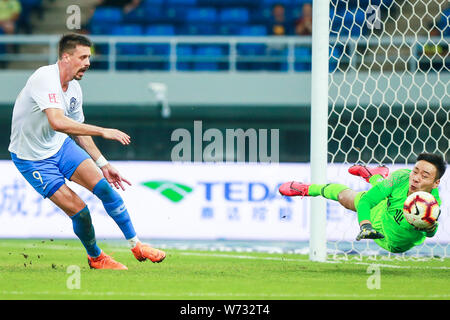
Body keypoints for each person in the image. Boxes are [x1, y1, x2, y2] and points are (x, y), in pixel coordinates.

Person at [8, 33, 166, 269]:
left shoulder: (74, 90)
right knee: (81, 212)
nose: (88, 63)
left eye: (88, 57)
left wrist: (103, 163)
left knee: (105, 187)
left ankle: (137, 246)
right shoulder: (44, 78)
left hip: (59, 146)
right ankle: (96, 257)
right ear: (65, 57)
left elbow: (78, 130)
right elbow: (57, 122)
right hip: (32, 159)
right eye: (82, 57)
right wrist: (103, 131)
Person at [279, 153, 446, 253]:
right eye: (415, 171)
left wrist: (430, 227)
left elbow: (431, 233)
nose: (416, 178)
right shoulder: (401, 177)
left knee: (383, 191)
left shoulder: (431, 205)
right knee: (346, 198)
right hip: (380, 215)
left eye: (424, 176)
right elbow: (367, 200)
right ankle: (306, 189)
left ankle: (374, 175)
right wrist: (366, 225)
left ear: (435, 183)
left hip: (397, 244)